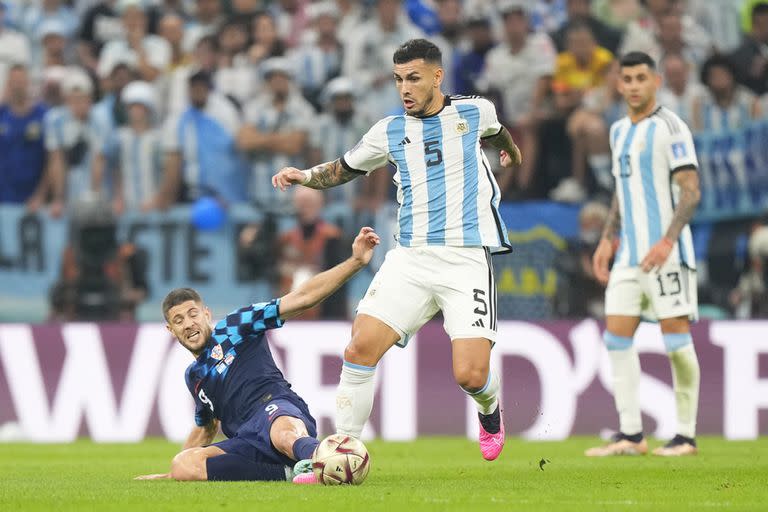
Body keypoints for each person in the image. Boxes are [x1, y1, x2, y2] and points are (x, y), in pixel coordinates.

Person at [272, 39, 522, 461]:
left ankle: (490, 410)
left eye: (414, 78)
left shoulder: (475, 111)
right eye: (398, 80)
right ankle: (340, 451)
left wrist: (510, 151)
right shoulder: (388, 131)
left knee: (470, 374)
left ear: (437, 77)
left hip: (465, 259)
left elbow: (498, 132)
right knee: (359, 347)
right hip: (410, 258)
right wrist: (304, 176)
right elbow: (342, 169)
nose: (404, 88)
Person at [135, 226, 381, 483]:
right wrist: (172, 473)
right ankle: (289, 473)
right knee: (183, 465)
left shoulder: (237, 325)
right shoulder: (195, 376)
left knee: (283, 436)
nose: (188, 324)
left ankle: (329, 458)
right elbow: (207, 426)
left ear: (206, 314)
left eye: (192, 314)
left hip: (276, 408)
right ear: (171, 330)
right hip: (246, 440)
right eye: (178, 320)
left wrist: (355, 262)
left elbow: (302, 298)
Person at [587, 51, 701, 457]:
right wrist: (607, 237)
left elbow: (691, 191)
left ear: (655, 81)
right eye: (627, 78)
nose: (634, 85)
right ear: (619, 84)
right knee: (616, 337)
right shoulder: (619, 131)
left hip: (666, 254)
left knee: (676, 343)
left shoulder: (672, 128)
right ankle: (632, 435)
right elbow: (622, 189)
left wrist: (668, 240)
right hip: (629, 256)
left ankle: (685, 435)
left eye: (641, 78)